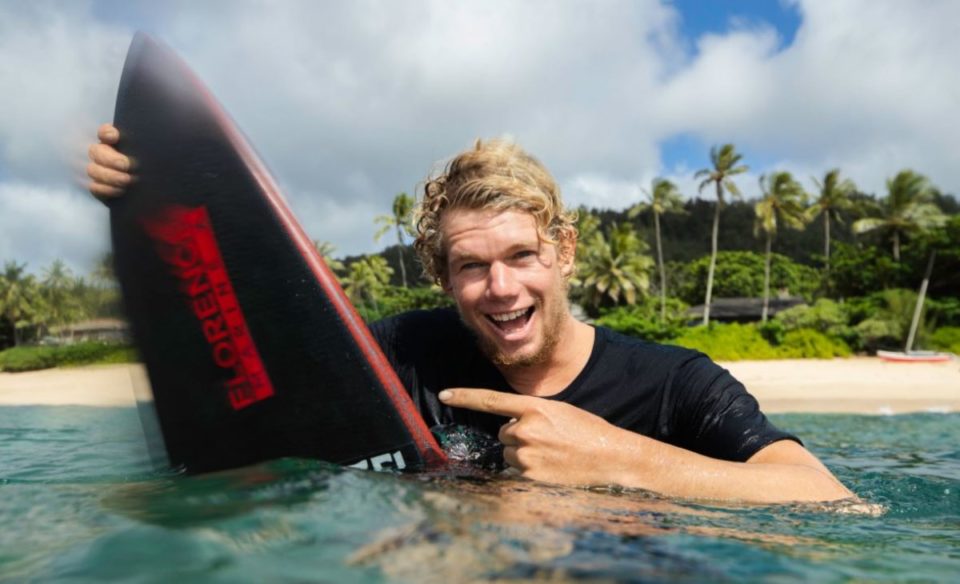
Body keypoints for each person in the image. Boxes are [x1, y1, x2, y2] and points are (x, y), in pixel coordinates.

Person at [87, 125, 854, 503]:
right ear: (443, 277)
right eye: (472, 266)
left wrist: (617, 460)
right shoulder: (402, 353)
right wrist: (149, 199)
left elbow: (833, 500)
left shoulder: (674, 384)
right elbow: (258, 391)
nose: (502, 287)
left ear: (564, 252)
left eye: (521, 255)